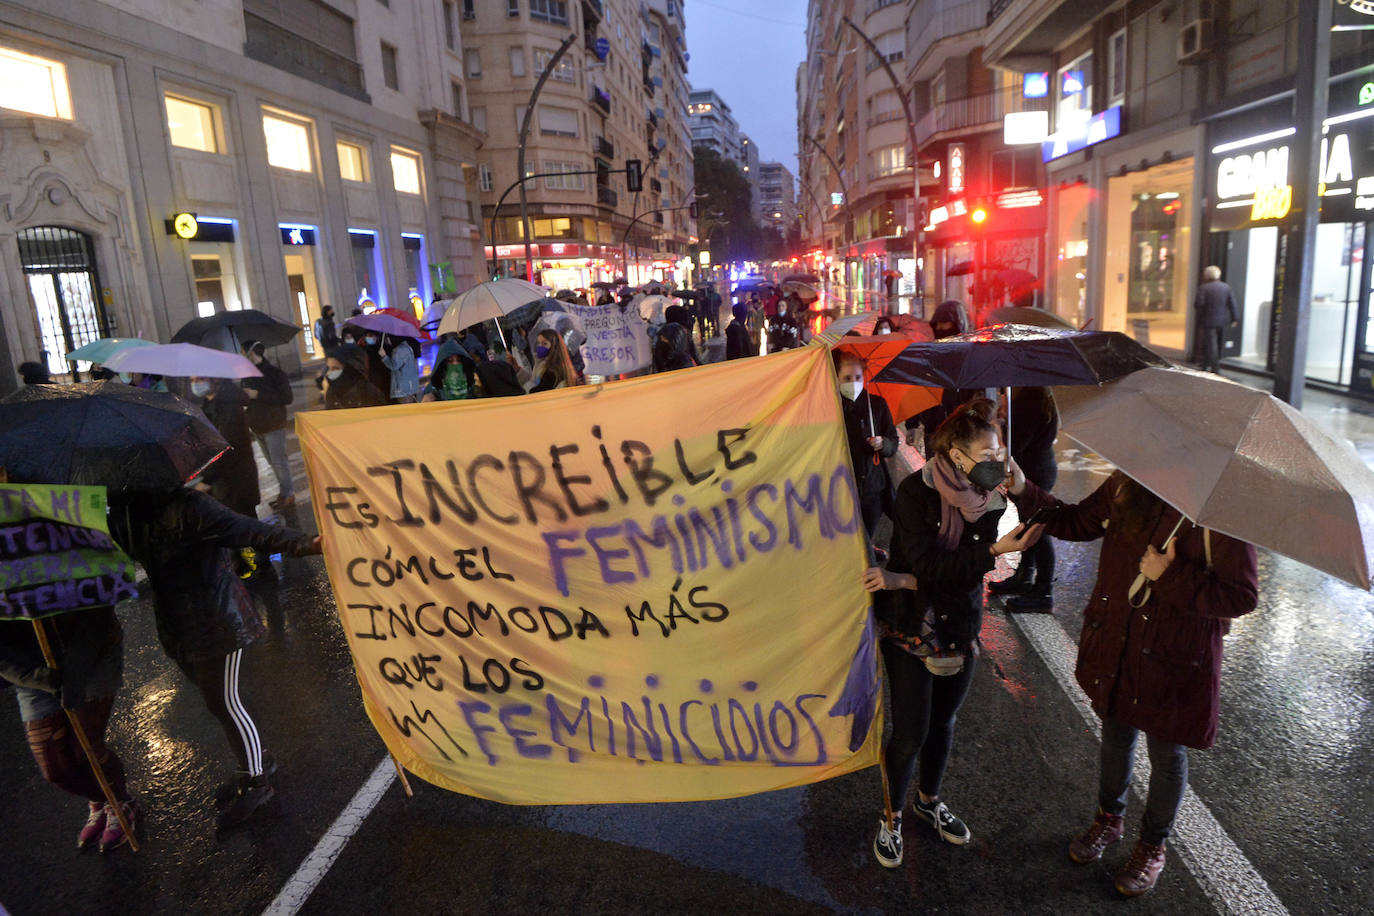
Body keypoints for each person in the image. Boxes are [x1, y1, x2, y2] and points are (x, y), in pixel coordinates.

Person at [1020, 472, 1258, 897]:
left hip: (1174, 655)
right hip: (1120, 638)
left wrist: (1169, 575)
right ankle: (1108, 819)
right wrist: (1022, 488)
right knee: (1114, 731)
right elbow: (1077, 521)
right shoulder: (1129, 481)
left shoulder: (1218, 508)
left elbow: (1240, 596)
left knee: (1166, 753)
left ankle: (1152, 846)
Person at [862, 398, 1043, 868]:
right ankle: (892, 815)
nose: (996, 463)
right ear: (956, 455)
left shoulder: (988, 499)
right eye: (986, 455)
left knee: (944, 724)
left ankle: (929, 800)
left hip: (960, 623)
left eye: (999, 452)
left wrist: (1018, 489)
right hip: (911, 624)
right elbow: (930, 564)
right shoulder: (916, 494)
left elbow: (955, 575)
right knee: (910, 733)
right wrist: (991, 555)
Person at [108, 488, 322, 828]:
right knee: (223, 701)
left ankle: (257, 781)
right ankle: (257, 761)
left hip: (218, 620)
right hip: (177, 626)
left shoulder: (189, 505)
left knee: (226, 703)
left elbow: (252, 531)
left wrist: (308, 543)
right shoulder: (124, 513)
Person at [0, 601, 137, 852]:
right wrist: (41, 678)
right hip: (29, 670)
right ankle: (99, 796)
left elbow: (98, 609)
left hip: (91, 654)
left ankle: (118, 801)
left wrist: (73, 675)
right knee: (55, 768)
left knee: (85, 750)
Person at [989, 386, 1060, 611]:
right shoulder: (1036, 394)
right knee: (1028, 526)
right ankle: (1024, 576)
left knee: (1037, 530)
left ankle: (1043, 592)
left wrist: (999, 428)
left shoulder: (1029, 398)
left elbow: (1016, 446)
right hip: (1037, 468)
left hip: (1033, 473)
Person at [835, 351, 897, 541]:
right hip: (841, 485)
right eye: (847, 378)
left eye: (857, 377)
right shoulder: (832, 406)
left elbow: (893, 442)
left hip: (873, 486)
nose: (853, 382)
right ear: (837, 378)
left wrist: (883, 443)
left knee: (866, 534)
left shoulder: (877, 405)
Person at [909, 300, 979, 456]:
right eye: (937, 324)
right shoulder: (931, 354)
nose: (939, 328)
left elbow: (978, 395)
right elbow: (919, 388)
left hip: (962, 430)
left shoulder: (971, 355)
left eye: (944, 323)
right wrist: (912, 423)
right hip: (934, 430)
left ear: (957, 323)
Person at [192, 377, 259, 518]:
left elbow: (226, 446)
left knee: (245, 529)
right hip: (223, 482)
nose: (195, 384)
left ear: (213, 379)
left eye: (199, 379)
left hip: (236, 482)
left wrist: (207, 480)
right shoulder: (209, 404)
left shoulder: (228, 406)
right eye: (192, 380)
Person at [240, 341, 295, 510]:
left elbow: (287, 398)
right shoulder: (247, 375)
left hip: (274, 424)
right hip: (257, 426)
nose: (241, 356)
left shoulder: (275, 373)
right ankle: (283, 493)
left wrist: (257, 394)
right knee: (272, 462)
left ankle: (288, 494)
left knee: (279, 462)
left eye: (243, 352)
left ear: (252, 353)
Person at [1193, 265, 1239, 373]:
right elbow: (1232, 304)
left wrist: (1201, 314)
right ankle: (1205, 365)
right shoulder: (1226, 287)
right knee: (1212, 343)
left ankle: (1215, 368)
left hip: (1208, 320)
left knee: (1211, 344)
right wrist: (1235, 318)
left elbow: (1198, 304)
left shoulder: (1204, 288)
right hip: (1222, 320)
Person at [322, 344, 387, 409]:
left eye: (336, 368)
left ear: (349, 369)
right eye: (329, 368)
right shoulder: (332, 389)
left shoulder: (367, 390)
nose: (329, 373)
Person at [379, 334, 421, 404]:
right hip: (410, 387)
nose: (388, 340)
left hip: (402, 389)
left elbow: (394, 366)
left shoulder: (398, 350)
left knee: (406, 411)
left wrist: (384, 356)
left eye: (388, 338)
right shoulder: (407, 347)